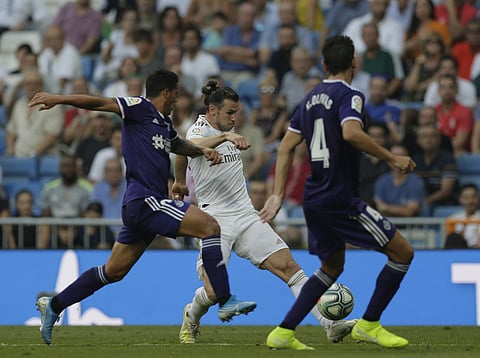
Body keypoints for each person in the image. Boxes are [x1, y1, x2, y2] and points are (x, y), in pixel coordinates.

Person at [29, 69, 257, 346]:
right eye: (175, 93)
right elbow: (99, 103)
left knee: (113, 271)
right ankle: (224, 299)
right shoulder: (139, 107)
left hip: (144, 207)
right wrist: (59, 98)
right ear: (165, 92)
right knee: (210, 227)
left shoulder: (163, 122)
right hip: (145, 200)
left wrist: (203, 150)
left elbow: (179, 145)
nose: (177, 98)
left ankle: (54, 305)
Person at [172, 80, 356, 345]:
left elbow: (182, 155)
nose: (235, 119)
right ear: (212, 111)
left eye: (237, 113)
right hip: (213, 221)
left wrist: (179, 180)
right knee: (213, 292)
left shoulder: (224, 131)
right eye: (230, 113)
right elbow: (186, 147)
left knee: (290, 268)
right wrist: (224, 137)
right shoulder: (199, 130)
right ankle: (191, 316)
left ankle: (330, 325)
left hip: (246, 215)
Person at [261, 35, 415, 350]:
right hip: (340, 198)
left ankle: (284, 331)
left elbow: (287, 146)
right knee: (402, 253)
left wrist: (277, 193)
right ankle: (370, 324)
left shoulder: (309, 98)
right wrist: (392, 157)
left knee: (332, 267)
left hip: (314, 197)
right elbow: (351, 131)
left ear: (323, 65)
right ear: (354, 64)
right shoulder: (351, 95)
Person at [445, 183, 480, 248]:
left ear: (478, 198)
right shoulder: (453, 219)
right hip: (458, 252)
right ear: (460, 199)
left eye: (473, 197)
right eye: (466, 197)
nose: (470, 201)